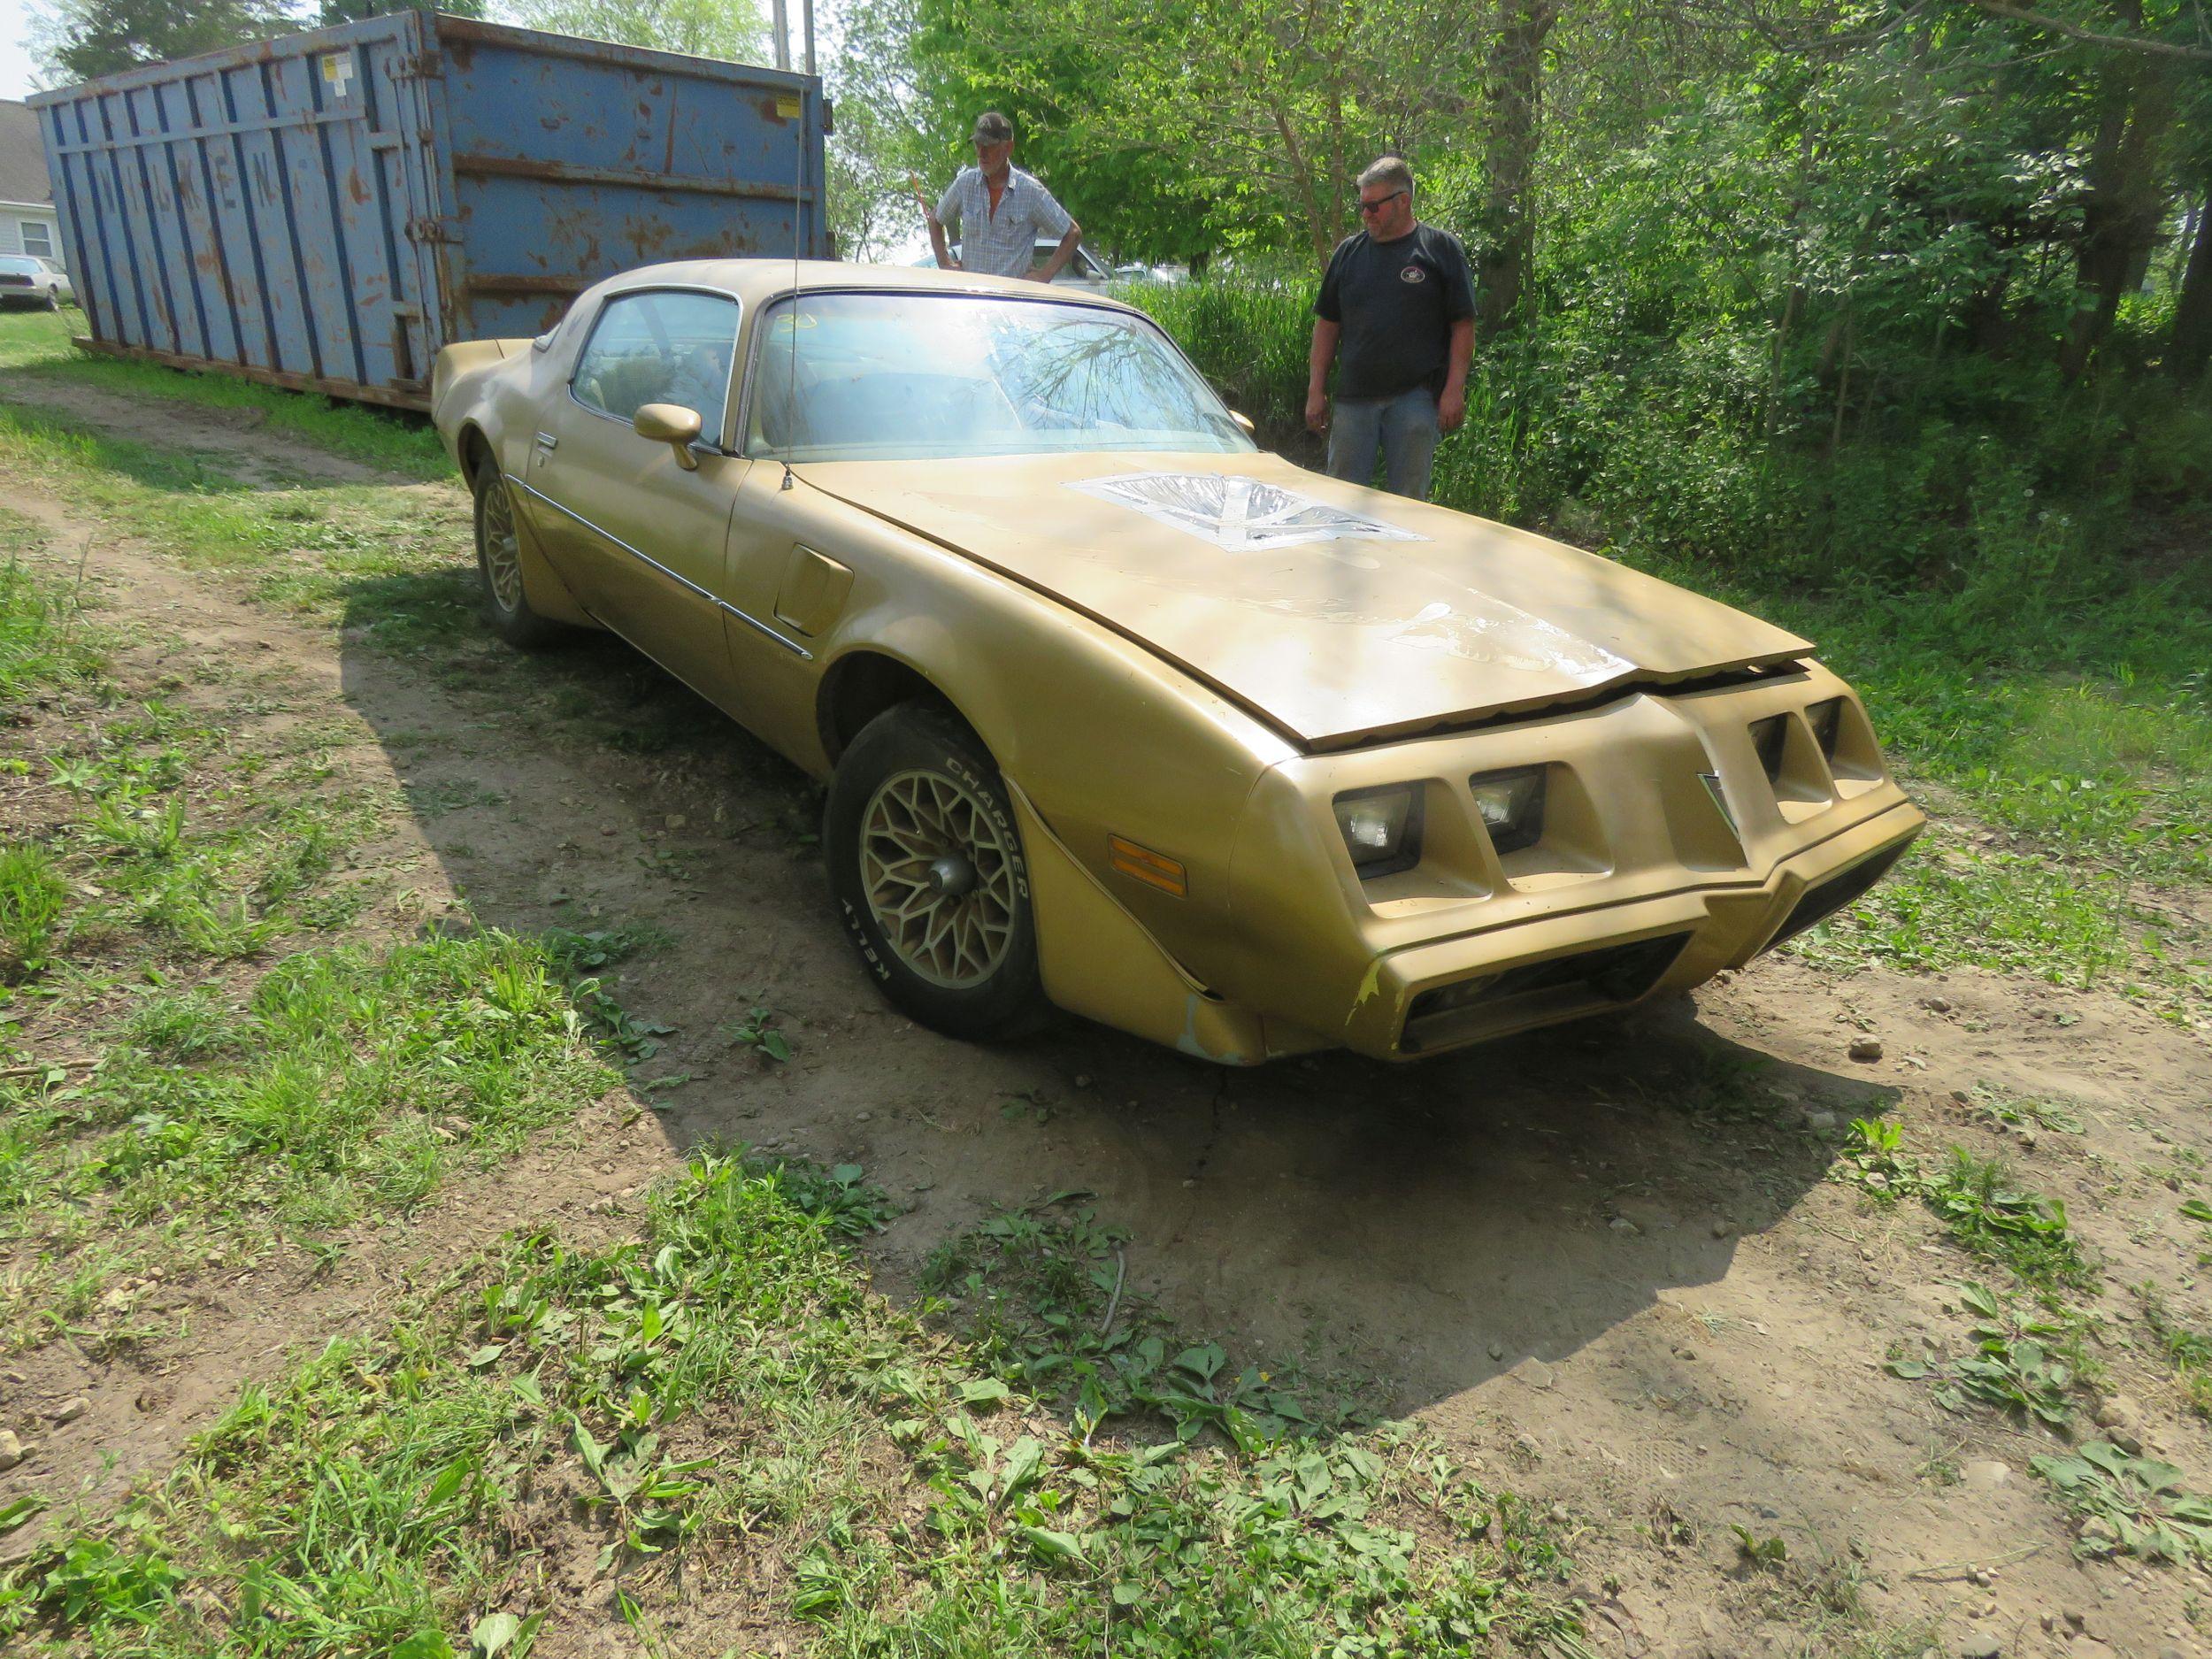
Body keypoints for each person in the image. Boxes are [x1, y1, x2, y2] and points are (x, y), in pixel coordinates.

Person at [1305, 157, 1476, 501]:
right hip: (1354, 400)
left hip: (1415, 400)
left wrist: (1454, 390)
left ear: (1403, 201)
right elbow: (1326, 325)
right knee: (1341, 501)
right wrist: (1315, 389)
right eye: (1362, 206)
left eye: (1373, 206)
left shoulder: (1439, 249)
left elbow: (1463, 325)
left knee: (1409, 504)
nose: (1366, 214)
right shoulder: (1348, 254)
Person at [924, 111, 1083, 283]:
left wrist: (1044, 275)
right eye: (977, 144)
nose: (981, 153)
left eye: (989, 145)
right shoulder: (965, 184)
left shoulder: (1030, 191)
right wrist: (945, 263)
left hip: (1012, 302)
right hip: (971, 298)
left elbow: (1073, 234)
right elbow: (935, 219)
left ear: (1008, 148)